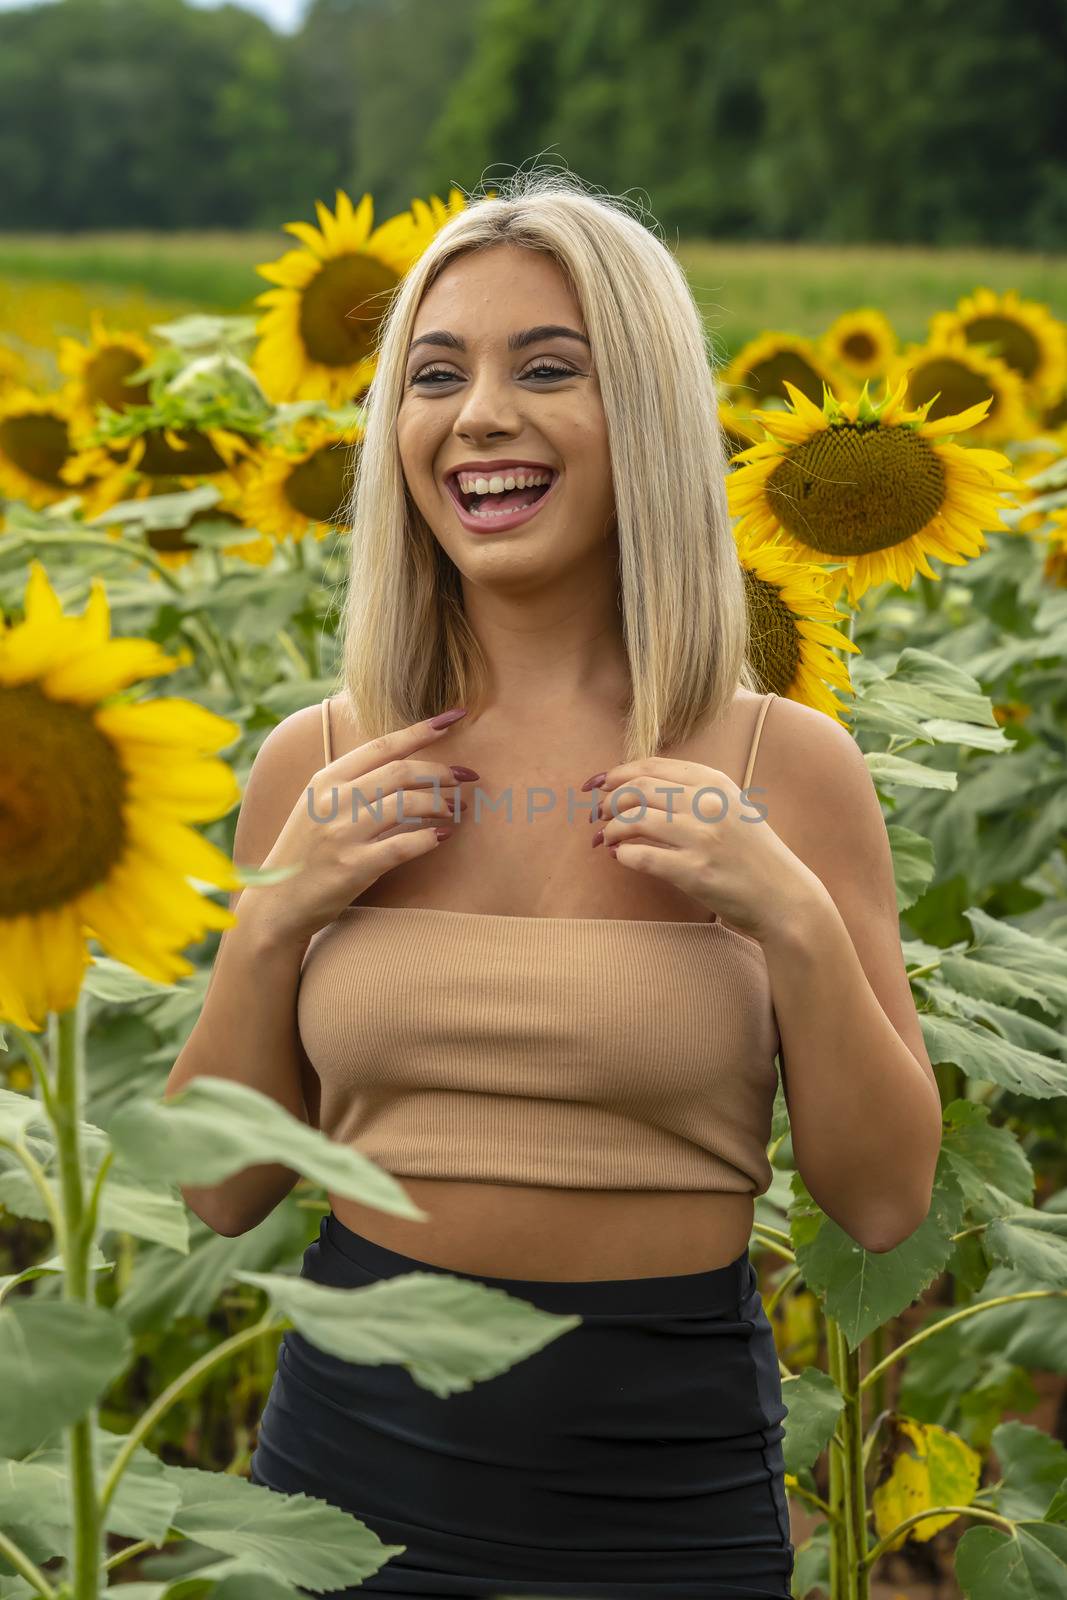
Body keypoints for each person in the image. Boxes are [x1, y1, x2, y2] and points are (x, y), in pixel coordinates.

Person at [166, 168, 943, 1599]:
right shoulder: (318, 762)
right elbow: (215, 1192)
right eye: (436, 374)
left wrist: (790, 915)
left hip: (664, 1489)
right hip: (346, 1483)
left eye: (548, 369)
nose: (480, 418)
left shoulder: (790, 762)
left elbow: (885, 1202)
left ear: (641, 415)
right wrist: (277, 918)